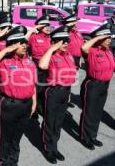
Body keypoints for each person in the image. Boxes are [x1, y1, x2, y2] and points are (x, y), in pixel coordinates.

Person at [0, 25, 37, 166]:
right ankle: (3, 160)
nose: (25, 46)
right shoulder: (4, 62)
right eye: (21, 43)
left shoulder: (29, 61)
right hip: (9, 104)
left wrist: (34, 102)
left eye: (25, 43)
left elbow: (32, 83)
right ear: (13, 44)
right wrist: (7, 50)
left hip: (26, 104)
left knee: (17, 136)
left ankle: (13, 160)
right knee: (6, 137)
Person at [39, 25, 77, 164]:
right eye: (62, 40)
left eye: (67, 40)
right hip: (53, 91)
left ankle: (54, 146)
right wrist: (52, 48)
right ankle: (47, 149)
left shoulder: (68, 55)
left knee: (59, 121)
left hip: (65, 91)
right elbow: (42, 66)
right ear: (55, 42)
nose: (66, 43)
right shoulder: (51, 55)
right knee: (50, 121)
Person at [79, 23, 115, 150]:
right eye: (107, 37)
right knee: (89, 112)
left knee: (97, 112)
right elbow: (83, 48)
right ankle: (85, 137)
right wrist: (97, 38)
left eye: (110, 37)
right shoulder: (92, 51)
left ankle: (93, 135)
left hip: (104, 86)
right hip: (92, 85)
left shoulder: (108, 52)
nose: (110, 39)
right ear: (99, 39)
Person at [27, 15, 52, 118]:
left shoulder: (51, 38)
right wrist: (34, 29)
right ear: (39, 26)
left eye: (48, 25)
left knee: (45, 87)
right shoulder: (34, 37)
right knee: (36, 88)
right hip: (37, 65)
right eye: (44, 25)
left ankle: (41, 106)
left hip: (49, 65)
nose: (48, 27)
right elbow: (24, 40)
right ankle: (34, 109)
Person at [62, 15, 84, 108]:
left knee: (70, 80)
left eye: (76, 22)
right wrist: (67, 26)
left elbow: (81, 45)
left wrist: (80, 59)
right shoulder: (65, 33)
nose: (76, 24)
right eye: (73, 23)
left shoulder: (77, 33)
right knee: (65, 79)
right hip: (68, 58)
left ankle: (68, 99)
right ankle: (63, 99)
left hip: (77, 58)